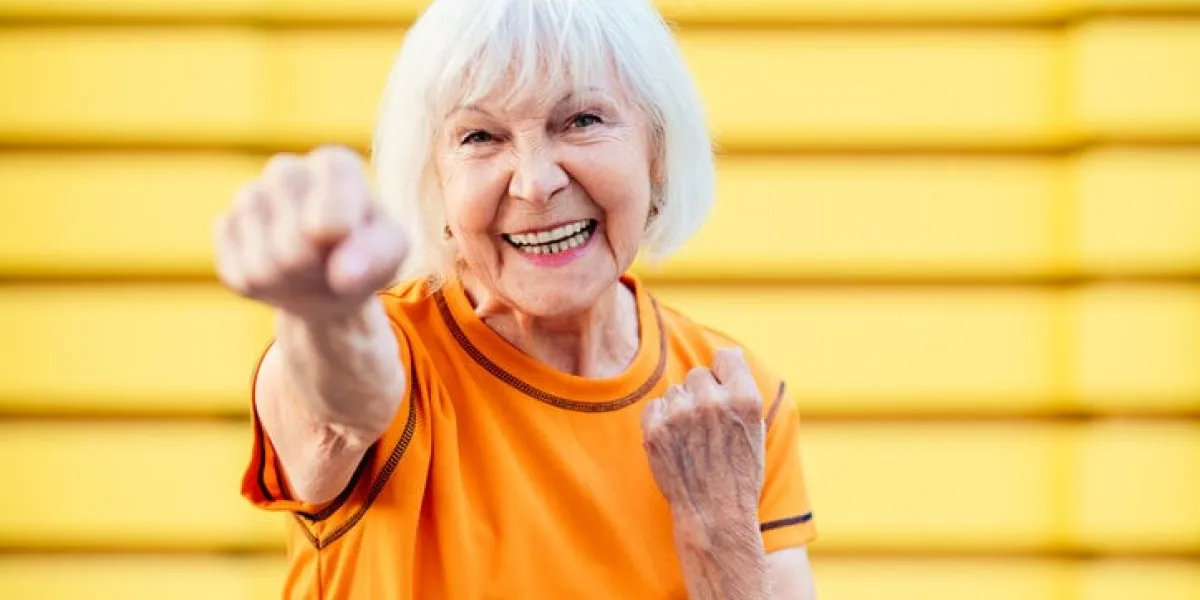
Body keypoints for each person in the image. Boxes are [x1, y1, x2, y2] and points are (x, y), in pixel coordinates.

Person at [213, 0, 818, 597]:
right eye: (480, 136)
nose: (535, 182)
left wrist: (722, 533)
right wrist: (323, 313)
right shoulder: (398, 354)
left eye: (581, 120)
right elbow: (343, 402)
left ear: (657, 151)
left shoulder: (728, 399)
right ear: (436, 183)